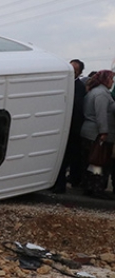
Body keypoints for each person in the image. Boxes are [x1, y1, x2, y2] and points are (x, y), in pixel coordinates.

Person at [80, 69, 115, 198]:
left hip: (90, 131)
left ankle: (89, 187)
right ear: (105, 80)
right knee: (98, 162)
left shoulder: (95, 92)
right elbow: (101, 115)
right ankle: (96, 189)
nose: (112, 82)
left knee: (91, 162)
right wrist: (104, 132)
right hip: (96, 133)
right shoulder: (101, 94)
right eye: (111, 79)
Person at [53, 59, 86, 193]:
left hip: (70, 129)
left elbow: (76, 109)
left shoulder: (78, 87)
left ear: (79, 73)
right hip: (61, 128)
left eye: (74, 70)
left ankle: (59, 186)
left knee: (64, 158)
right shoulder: (63, 84)